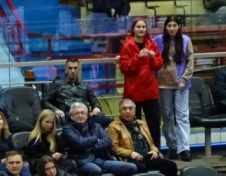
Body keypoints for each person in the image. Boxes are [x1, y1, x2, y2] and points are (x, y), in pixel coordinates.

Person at [61, 103, 137, 176]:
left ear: (87, 115)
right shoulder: (67, 129)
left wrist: (90, 147)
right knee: (96, 170)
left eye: (83, 113)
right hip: (82, 161)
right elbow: (80, 143)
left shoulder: (96, 126)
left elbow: (108, 142)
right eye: (77, 113)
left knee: (131, 167)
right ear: (72, 116)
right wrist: (95, 139)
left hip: (101, 159)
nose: (80, 115)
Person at [108, 99, 179, 176]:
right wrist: (130, 153)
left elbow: (151, 143)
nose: (127, 111)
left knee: (171, 166)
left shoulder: (142, 123)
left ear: (134, 110)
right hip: (130, 158)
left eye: (130, 108)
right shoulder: (114, 126)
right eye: (124, 109)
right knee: (141, 167)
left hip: (147, 156)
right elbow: (114, 147)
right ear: (120, 111)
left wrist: (154, 150)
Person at [152, 16, 194, 161]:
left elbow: (190, 62)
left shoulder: (186, 40)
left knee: (183, 116)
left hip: (181, 84)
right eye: (169, 25)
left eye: (174, 25)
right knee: (167, 116)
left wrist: (184, 79)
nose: (171, 28)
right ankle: (172, 146)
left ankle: (185, 148)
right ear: (165, 27)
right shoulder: (158, 40)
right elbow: (152, 59)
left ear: (179, 26)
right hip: (163, 84)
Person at [119, 18, 162, 149]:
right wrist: (137, 57)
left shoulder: (151, 43)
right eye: (138, 27)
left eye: (143, 27)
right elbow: (124, 67)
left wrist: (153, 58)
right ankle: (138, 151)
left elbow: (158, 65)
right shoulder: (127, 45)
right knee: (134, 124)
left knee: (154, 123)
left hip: (150, 90)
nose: (141, 29)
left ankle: (156, 150)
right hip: (133, 91)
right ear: (133, 29)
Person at [43, 58, 112, 129]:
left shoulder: (84, 84)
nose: (73, 71)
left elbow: (94, 100)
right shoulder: (58, 84)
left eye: (75, 68)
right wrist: (56, 110)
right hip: (68, 118)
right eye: (70, 68)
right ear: (66, 70)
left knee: (110, 122)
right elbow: (45, 101)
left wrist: (96, 107)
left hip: (85, 117)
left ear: (79, 70)